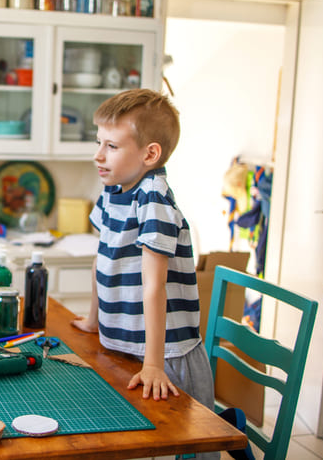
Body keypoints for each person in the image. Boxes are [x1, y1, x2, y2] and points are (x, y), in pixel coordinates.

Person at [72, 89, 215, 441]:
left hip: (164, 357)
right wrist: (94, 320)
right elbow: (103, 258)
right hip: (125, 346)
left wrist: (153, 364)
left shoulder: (153, 198)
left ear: (150, 154)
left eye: (112, 146)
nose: (98, 155)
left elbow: (155, 286)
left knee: (182, 444)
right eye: (99, 142)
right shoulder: (114, 189)